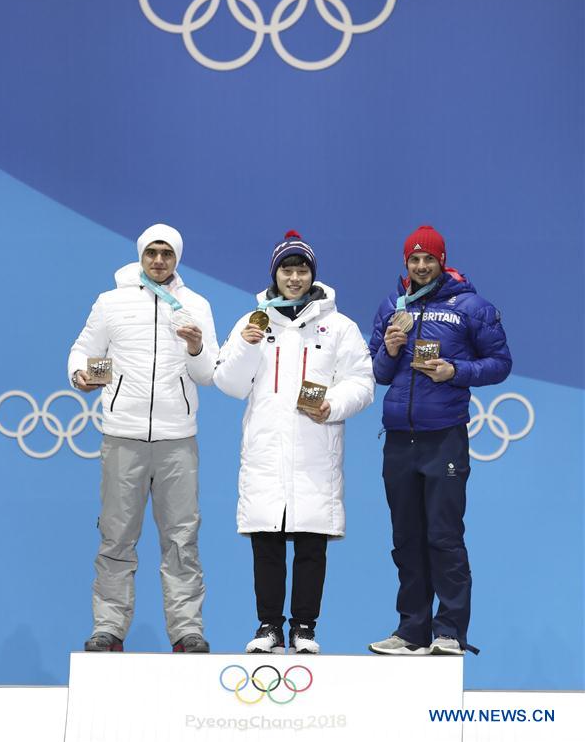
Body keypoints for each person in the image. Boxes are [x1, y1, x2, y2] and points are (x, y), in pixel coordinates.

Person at [214, 231, 374, 654]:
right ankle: (269, 627)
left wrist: (333, 404)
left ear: (312, 275)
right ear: (275, 275)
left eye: (302, 270)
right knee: (266, 542)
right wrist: (246, 347)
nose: (294, 277)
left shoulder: (338, 327)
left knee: (310, 543)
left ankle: (304, 628)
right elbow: (229, 383)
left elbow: (362, 382)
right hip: (266, 451)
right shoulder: (253, 322)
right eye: (287, 270)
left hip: (314, 450)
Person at [68, 223, 219, 653]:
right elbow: (82, 350)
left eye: (166, 253)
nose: (158, 260)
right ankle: (109, 627)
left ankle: (187, 630)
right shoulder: (111, 302)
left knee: (182, 540)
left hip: (177, 439)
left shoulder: (195, 305)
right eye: (152, 252)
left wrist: (196, 347)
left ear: (177, 258)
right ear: (140, 254)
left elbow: (208, 373)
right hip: (123, 436)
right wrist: (78, 374)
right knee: (116, 537)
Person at [368, 225, 512, 656]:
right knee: (406, 539)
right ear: (405, 263)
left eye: (428, 258)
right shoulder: (393, 305)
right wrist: (390, 349)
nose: (421, 266)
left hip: (444, 436)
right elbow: (378, 373)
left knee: (444, 537)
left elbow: (500, 362)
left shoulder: (470, 306)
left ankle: (449, 631)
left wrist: (456, 371)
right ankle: (411, 630)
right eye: (414, 259)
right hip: (399, 439)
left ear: (441, 260)